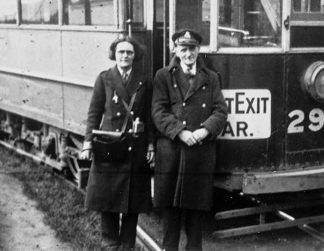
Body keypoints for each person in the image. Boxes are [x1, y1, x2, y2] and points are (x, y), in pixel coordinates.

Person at [152, 29, 228, 251]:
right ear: (175, 49)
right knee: (170, 211)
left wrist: (205, 130)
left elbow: (221, 111)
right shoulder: (163, 76)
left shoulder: (211, 77)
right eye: (183, 49)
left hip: (200, 151)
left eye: (192, 49)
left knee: (196, 211)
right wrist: (181, 132)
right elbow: (158, 111)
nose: (188, 54)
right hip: (172, 150)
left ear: (198, 50)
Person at [79, 35, 154, 251]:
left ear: (135, 55)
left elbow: (149, 116)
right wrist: (87, 143)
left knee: (133, 204)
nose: (125, 56)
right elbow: (94, 113)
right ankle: (110, 244)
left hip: (135, 148)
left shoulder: (145, 80)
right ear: (115, 54)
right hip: (110, 147)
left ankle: (127, 246)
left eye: (129, 52)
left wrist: (150, 145)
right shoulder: (104, 79)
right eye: (121, 52)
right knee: (107, 200)